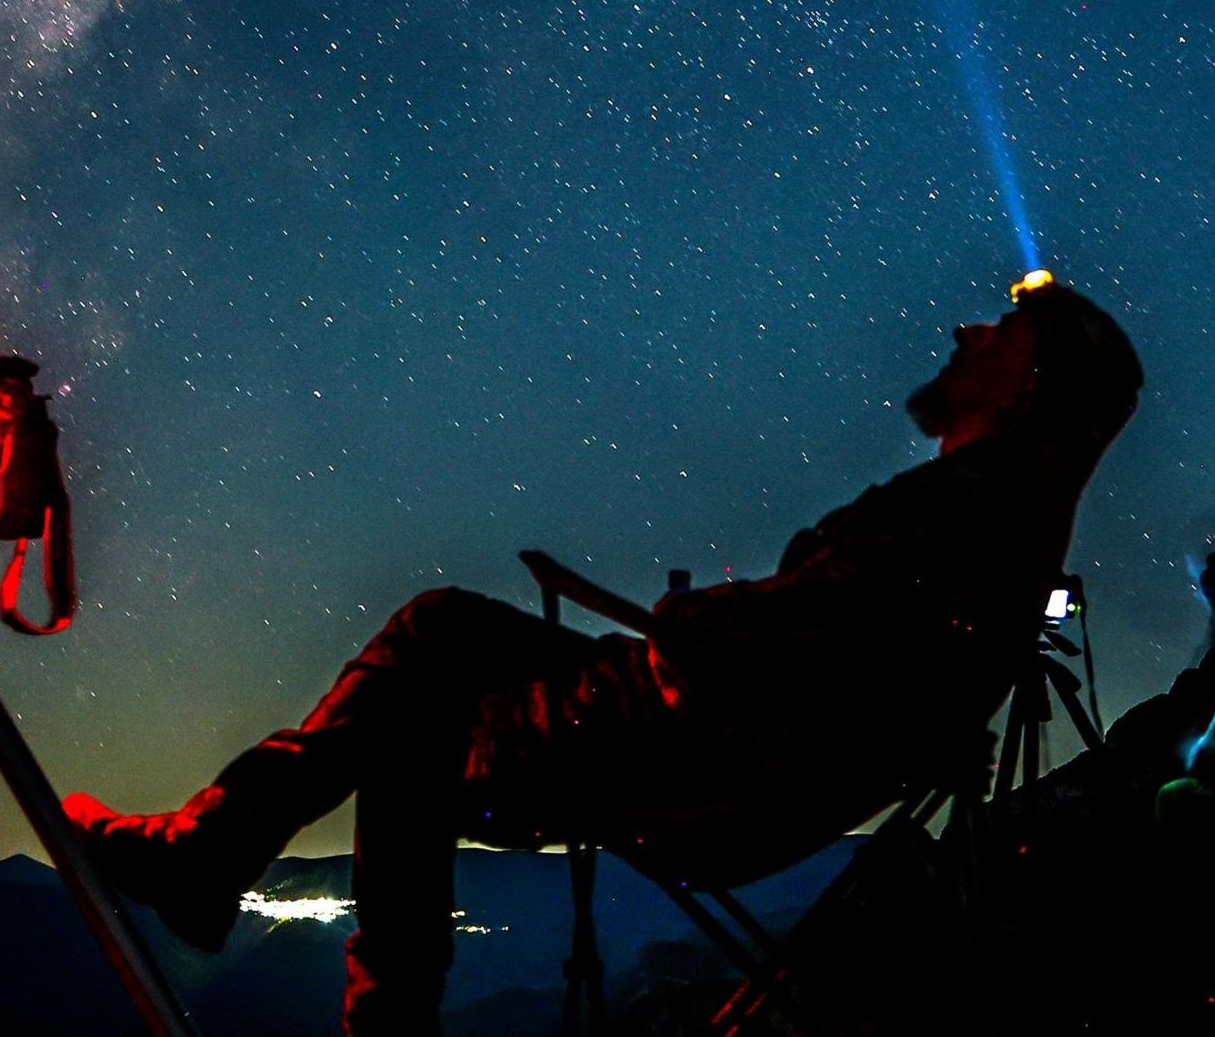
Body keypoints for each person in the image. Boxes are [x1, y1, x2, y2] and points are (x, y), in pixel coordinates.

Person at [66, 280, 1144, 1034]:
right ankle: (210, 859)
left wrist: (702, 617)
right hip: (718, 736)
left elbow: (791, 637)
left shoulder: (958, 510)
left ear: (1030, 383)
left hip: (695, 757)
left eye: (998, 332)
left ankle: (237, 888)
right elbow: (822, 646)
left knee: (410, 735)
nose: (964, 331)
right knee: (439, 627)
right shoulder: (993, 523)